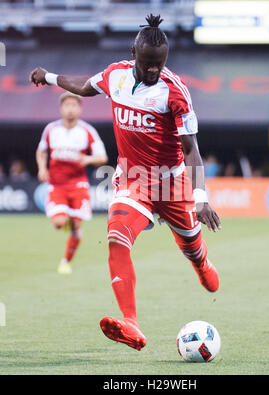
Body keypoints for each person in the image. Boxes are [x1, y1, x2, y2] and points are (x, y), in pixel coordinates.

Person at [29, 14, 221, 351]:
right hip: (132, 180)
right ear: (134, 53)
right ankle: (131, 323)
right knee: (116, 237)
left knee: (193, 251)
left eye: (158, 65)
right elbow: (84, 87)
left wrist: (201, 197)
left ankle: (201, 261)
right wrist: (49, 77)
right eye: (147, 63)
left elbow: (192, 150)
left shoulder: (175, 92)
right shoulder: (114, 75)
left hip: (172, 184)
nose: (152, 71)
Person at [35, 92, 108, 274]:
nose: (70, 109)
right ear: (61, 109)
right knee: (59, 223)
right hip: (56, 185)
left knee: (76, 228)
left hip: (78, 185)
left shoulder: (87, 131)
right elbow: (41, 151)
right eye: (67, 105)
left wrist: (87, 159)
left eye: (74, 105)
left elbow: (102, 157)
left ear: (79, 109)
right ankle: (65, 217)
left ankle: (66, 261)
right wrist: (42, 168)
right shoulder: (51, 129)